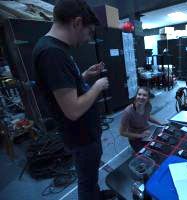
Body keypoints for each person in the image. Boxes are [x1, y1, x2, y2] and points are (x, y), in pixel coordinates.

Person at [32, 0, 115, 199]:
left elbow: (65, 88)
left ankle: (95, 195)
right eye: (88, 32)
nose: (87, 39)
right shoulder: (52, 53)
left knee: (90, 175)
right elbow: (73, 110)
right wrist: (98, 86)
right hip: (81, 136)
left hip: (85, 133)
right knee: (86, 180)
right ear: (77, 23)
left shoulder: (55, 49)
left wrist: (84, 76)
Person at [120, 87, 163, 152]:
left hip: (148, 133)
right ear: (136, 96)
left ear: (148, 98)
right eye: (139, 94)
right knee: (146, 154)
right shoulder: (128, 112)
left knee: (162, 146)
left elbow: (147, 116)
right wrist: (140, 135)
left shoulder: (148, 106)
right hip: (135, 139)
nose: (141, 97)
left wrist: (160, 123)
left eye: (144, 95)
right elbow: (122, 132)